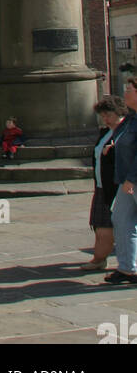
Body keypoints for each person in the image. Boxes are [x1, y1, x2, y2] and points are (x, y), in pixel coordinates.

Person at [83, 94, 127, 272]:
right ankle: (100, 258)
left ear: (118, 112)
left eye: (109, 115)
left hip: (120, 186)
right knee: (100, 225)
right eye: (103, 116)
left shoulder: (126, 131)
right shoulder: (105, 132)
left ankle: (99, 259)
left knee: (105, 228)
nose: (106, 119)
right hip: (102, 186)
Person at [104, 76, 137, 286]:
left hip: (132, 180)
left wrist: (132, 179)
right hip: (127, 179)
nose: (125, 94)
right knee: (121, 220)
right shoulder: (132, 118)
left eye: (129, 90)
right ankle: (127, 268)